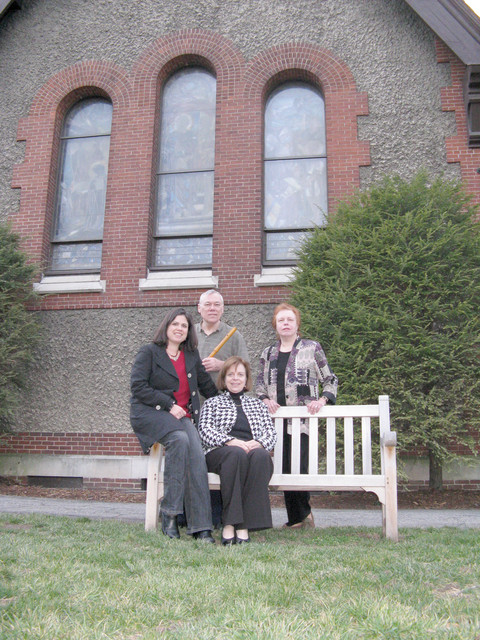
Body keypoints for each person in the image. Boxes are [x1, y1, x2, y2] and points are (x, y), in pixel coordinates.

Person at [130, 308, 218, 543]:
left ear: (189, 332)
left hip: (181, 417)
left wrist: (232, 396)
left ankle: (201, 526)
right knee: (179, 439)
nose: (180, 328)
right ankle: (169, 515)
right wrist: (168, 404)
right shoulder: (149, 352)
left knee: (197, 454)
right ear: (166, 327)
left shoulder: (191, 355)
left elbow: (207, 386)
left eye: (184, 326)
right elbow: (138, 387)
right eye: (175, 324)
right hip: (150, 413)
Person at [256, 303, 338, 529]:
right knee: (283, 467)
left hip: (303, 420)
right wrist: (265, 399)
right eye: (281, 320)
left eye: (289, 320)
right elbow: (260, 385)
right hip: (276, 421)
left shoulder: (311, 348)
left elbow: (330, 379)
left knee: (299, 466)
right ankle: (297, 518)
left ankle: (303, 515)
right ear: (275, 325)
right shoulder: (268, 353)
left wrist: (322, 400)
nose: (285, 323)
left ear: (297, 324)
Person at [198, 357, 277, 545]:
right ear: (224, 379)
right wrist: (230, 441)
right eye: (231, 375)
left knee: (262, 456)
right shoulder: (212, 403)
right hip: (220, 453)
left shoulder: (257, 405)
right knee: (236, 454)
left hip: (250, 451)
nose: (236, 379)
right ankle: (229, 524)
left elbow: (271, 434)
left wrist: (258, 442)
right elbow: (205, 431)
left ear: (246, 379)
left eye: (240, 374)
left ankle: (243, 525)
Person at [195, 289, 250, 527]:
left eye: (217, 305)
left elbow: (245, 368)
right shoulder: (190, 334)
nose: (212, 308)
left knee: (219, 458)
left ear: (223, 309)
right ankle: (192, 512)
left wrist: (221, 365)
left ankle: (217, 515)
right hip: (193, 406)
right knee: (195, 459)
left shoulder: (232, 335)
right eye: (208, 304)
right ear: (199, 308)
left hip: (222, 412)